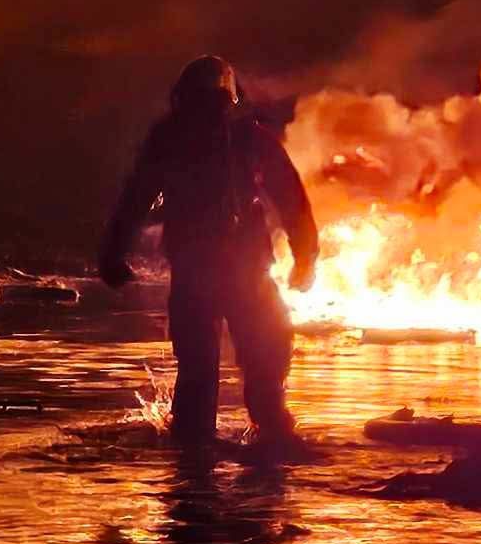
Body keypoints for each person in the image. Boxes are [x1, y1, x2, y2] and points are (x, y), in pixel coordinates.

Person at [99, 55, 318, 445]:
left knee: (223, 367)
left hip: (211, 272)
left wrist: (114, 253)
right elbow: (291, 199)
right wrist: (305, 257)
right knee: (258, 363)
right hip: (233, 273)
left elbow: (135, 197)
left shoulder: (177, 138)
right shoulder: (240, 138)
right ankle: (262, 451)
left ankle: (201, 460)